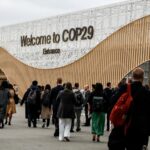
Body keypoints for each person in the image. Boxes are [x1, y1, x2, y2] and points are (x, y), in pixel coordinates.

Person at [108, 67, 150, 150]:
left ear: (132, 77)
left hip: (121, 126)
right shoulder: (146, 93)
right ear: (142, 78)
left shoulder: (124, 88)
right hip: (137, 131)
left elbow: (112, 102)